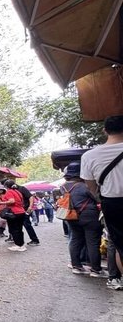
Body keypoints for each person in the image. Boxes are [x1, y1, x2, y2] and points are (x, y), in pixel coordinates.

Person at [81, 115, 123, 281]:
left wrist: (100, 198)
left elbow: (91, 186)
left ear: (104, 130)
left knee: (120, 245)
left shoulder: (89, 156)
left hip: (112, 203)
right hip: (111, 202)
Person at [61, 162, 105, 277]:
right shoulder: (85, 186)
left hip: (71, 216)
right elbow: (98, 198)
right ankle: (95, 269)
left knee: (75, 240)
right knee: (92, 242)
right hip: (89, 216)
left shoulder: (63, 186)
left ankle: (76, 266)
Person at [3, 179, 40, 246]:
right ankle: (15, 239)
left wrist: (30, 206)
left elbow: (30, 197)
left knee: (25, 225)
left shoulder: (21, 188)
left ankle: (34, 240)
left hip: (23, 210)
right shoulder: (14, 190)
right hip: (18, 211)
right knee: (16, 227)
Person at [0, 180, 29, 251]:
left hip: (14, 212)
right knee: (19, 229)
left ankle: (18, 245)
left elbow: (12, 201)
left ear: (6, 186)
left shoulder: (9, 192)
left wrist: (1, 202)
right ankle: (21, 244)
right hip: (21, 211)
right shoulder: (17, 191)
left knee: (14, 229)